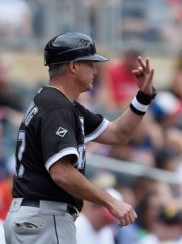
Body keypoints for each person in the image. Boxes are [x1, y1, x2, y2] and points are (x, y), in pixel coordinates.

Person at [3, 31, 157, 244]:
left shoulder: (61, 105)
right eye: (90, 63)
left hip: (36, 217)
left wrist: (144, 96)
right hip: (45, 217)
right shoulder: (56, 107)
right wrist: (110, 201)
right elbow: (61, 173)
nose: (95, 70)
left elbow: (118, 134)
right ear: (73, 66)